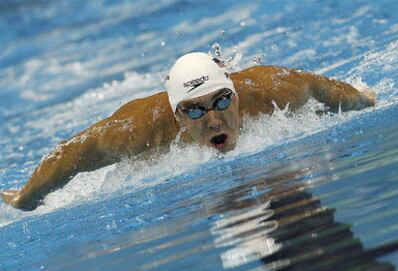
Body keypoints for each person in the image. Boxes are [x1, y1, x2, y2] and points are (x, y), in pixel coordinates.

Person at [1, 52, 376, 211]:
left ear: (236, 96)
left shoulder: (272, 90)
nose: (213, 119)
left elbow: (328, 90)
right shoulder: (138, 129)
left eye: (222, 102)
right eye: (195, 110)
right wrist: (26, 199)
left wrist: (361, 99)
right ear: (177, 116)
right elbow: (68, 154)